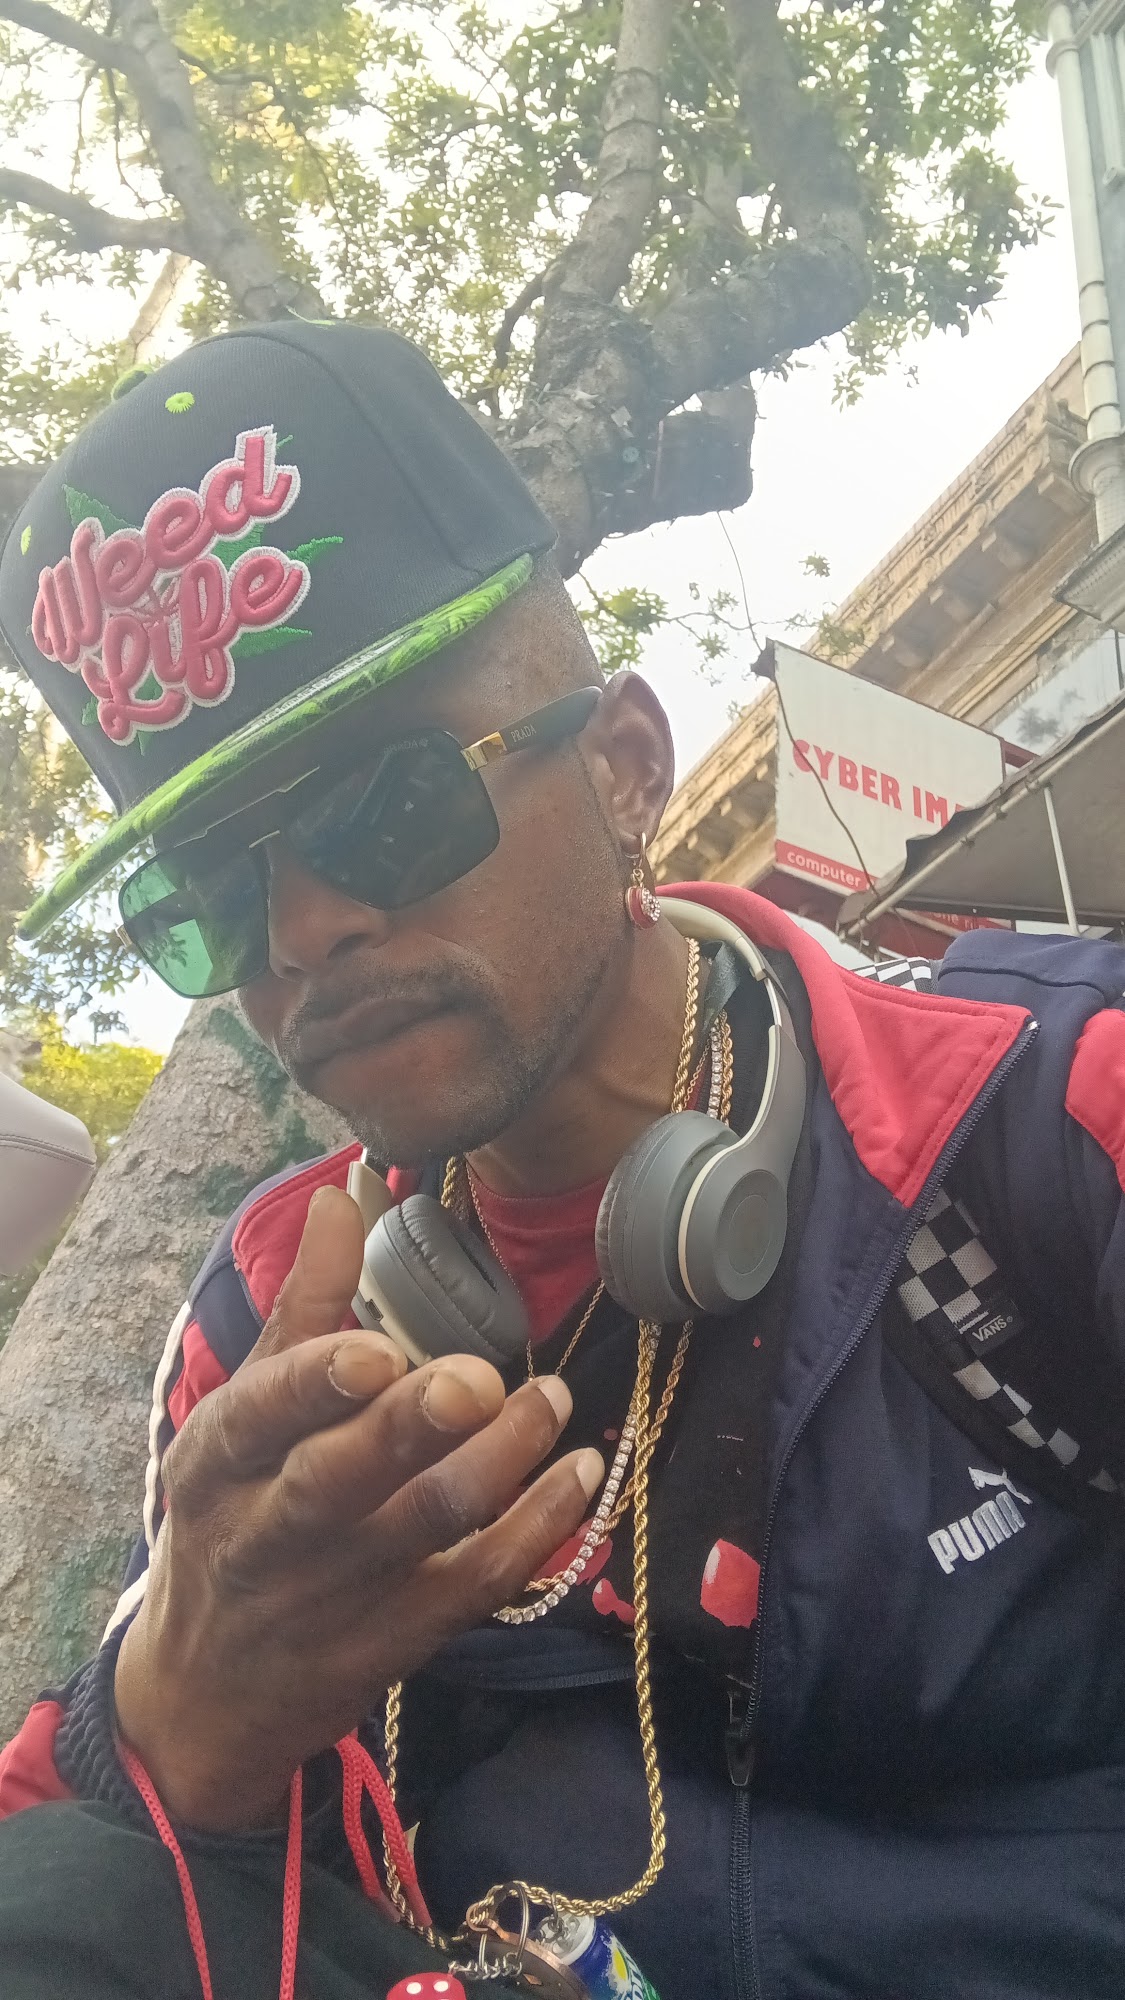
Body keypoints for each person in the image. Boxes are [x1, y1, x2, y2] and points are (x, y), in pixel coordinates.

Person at [0, 319, 1123, 2000]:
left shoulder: (1040, 1108)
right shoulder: (265, 1319)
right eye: (216, 894)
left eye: (384, 806)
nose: (305, 931)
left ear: (624, 769)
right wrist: (178, 1714)